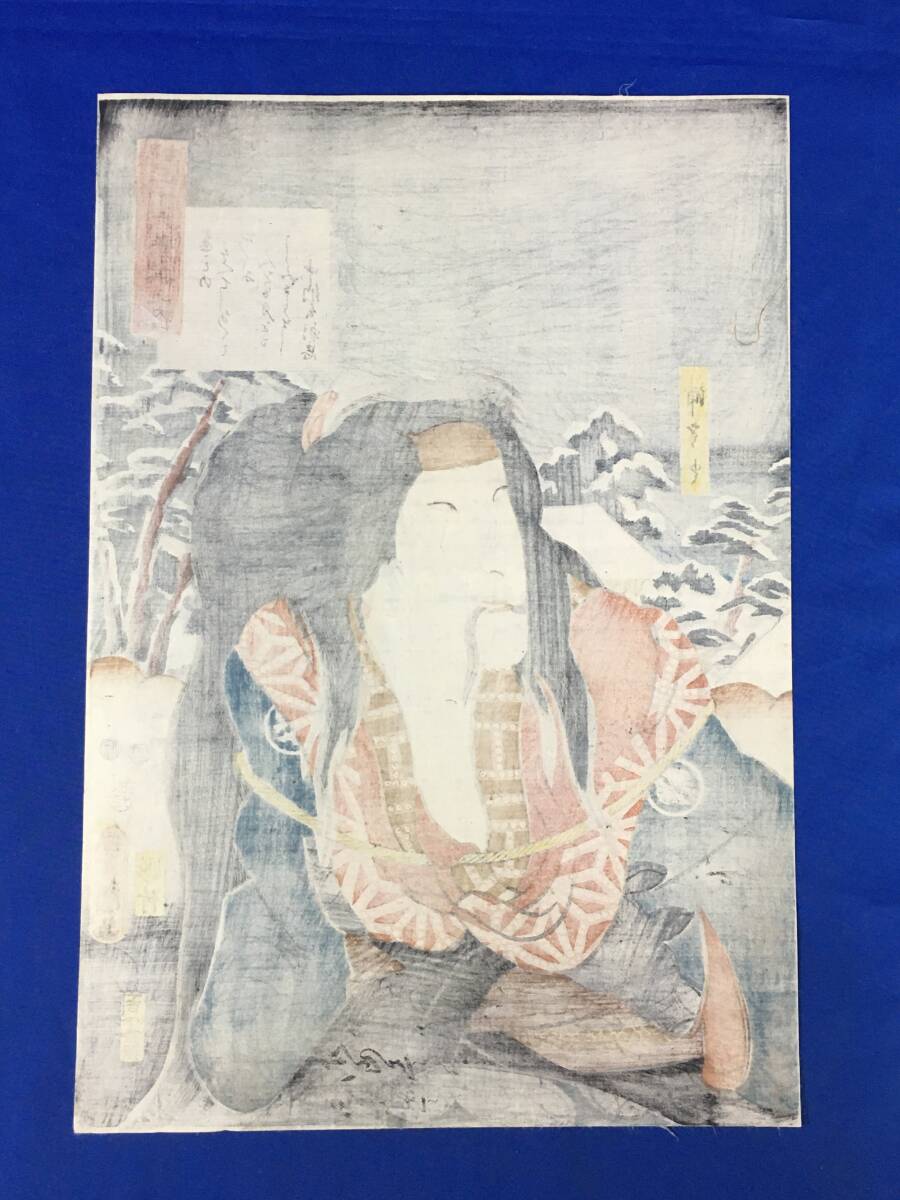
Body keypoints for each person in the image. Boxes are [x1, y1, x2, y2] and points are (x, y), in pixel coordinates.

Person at [134, 390, 793, 1129]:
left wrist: (733, 1021)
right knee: (245, 1064)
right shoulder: (301, 657)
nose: (487, 537)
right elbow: (276, 839)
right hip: (379, 926)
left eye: (501, 504)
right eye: (444, 512)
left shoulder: (602, 641)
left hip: (566, 916)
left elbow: (746, 829)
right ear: (382, 531)